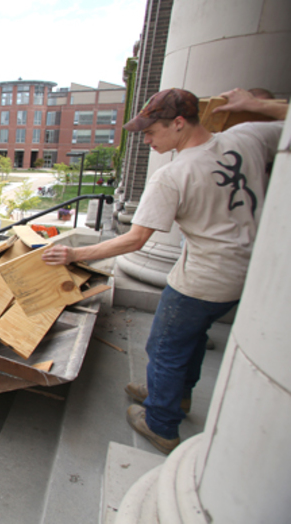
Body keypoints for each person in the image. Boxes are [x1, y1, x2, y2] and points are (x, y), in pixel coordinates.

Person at [41, 87, 287, 454]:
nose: (147, 140)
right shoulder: (246, 136)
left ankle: (161, 422)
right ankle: (176, 395)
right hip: (246, 276)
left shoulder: (174, 175)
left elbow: (134, 240)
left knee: (165, 348)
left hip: (201, 280)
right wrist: (257, 106)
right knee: (194, 336)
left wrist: (76, 255)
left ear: (178, 122)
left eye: (152, 132)